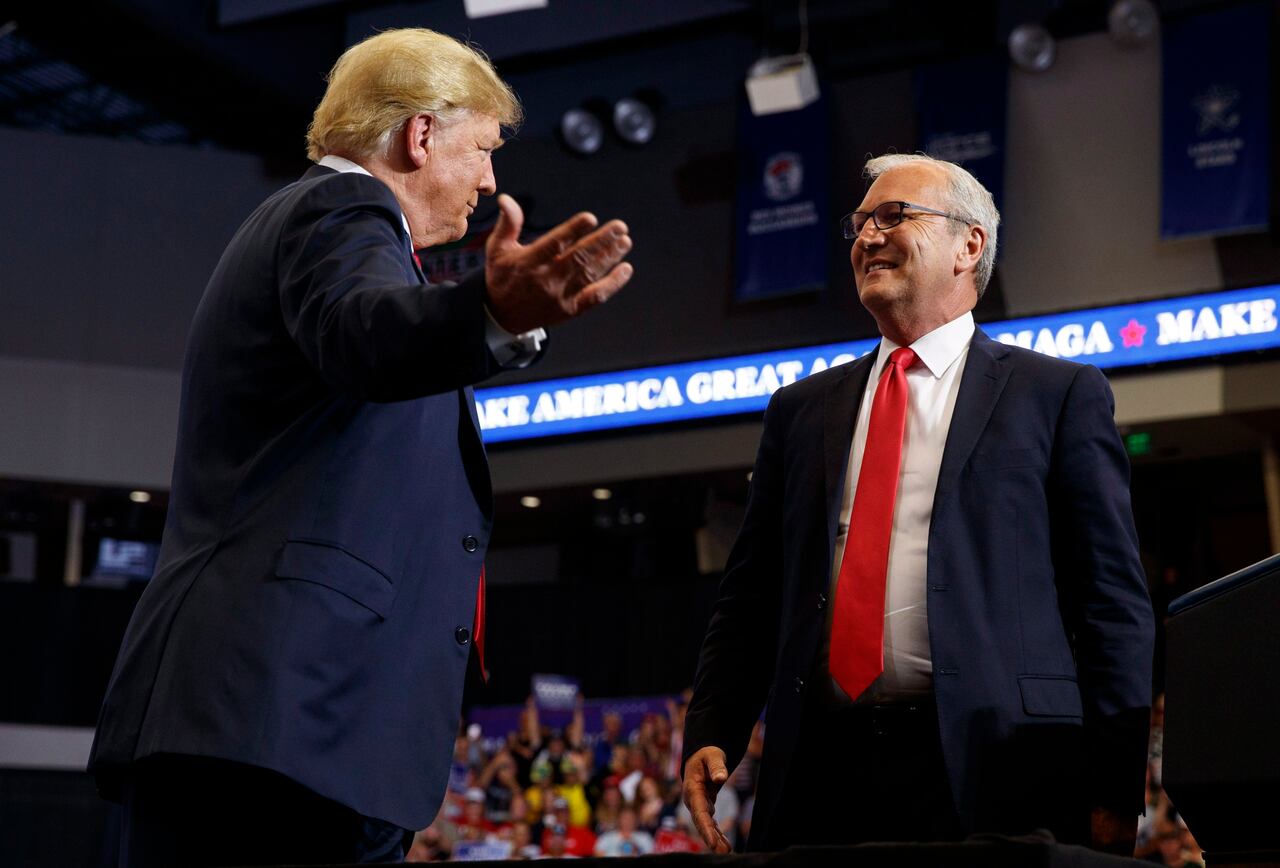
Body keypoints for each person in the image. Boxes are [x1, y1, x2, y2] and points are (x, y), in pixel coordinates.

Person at [88, 27, 633, 867]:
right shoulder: (339, 209)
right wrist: (492, 311)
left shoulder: (349, 241)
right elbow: (366, 334)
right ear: (420, 134)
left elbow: (386, 335)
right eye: (483, 148)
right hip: (274, 721)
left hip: (295, 727)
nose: (490, 181)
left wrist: (501, 324)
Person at [681, 153, 1153, 854]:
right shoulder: (800, 410)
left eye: (894, 215)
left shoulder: (1055, 396)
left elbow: (1110, 603)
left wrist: (1116, 784)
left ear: (970, 244)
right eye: (860, 222)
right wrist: (713, 728)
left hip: (998, 771)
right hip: (820, 770)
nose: (867, 235)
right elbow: (751, 595)